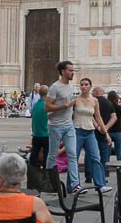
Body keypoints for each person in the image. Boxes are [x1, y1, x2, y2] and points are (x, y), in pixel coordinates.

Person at [45, 62, 80, 192]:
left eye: (73, 70)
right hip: (55, 126)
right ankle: (49, 181)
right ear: (63, 71)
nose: (72, 72)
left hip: (69, 125)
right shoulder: (55, 87)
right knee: (52, 155)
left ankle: (75, 185)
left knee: (72, 154)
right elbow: (47, 107)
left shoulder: (71, 87)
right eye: (70, 70)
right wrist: (64, 106)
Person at [72, 78, 108, 193]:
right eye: (82, 84)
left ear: (90, 86)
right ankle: (74, 185)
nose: (83, 86)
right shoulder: (75, 100)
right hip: (77, 131)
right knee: (74, 159)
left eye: (86, 84)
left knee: (95, 158)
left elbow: (98, 117)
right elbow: (69, 115)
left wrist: (105, 132)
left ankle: (100, 185)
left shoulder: (94, 101)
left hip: (90, 132)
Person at [29, 85, 50, 168]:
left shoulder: (36, 105)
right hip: (45, 134)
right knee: (46, 157)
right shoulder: (47, 106)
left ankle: (32, 172)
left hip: (36, 134)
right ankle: (46, 174)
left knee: (34, 155)